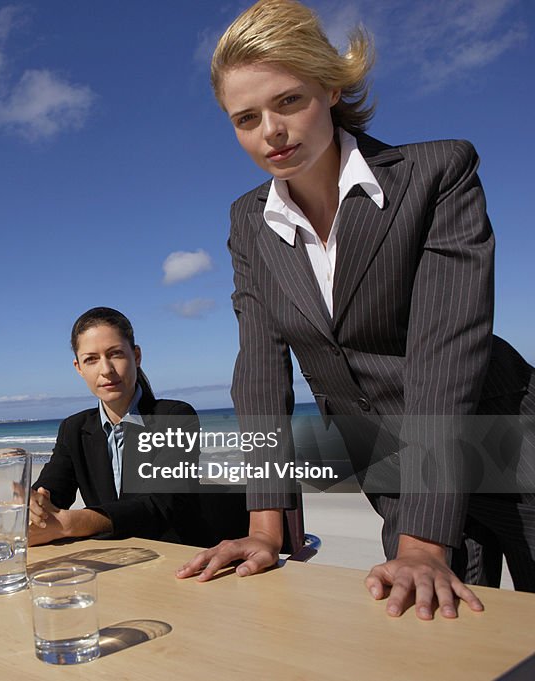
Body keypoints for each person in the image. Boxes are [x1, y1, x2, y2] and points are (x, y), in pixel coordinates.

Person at [176, 0, 535, 621]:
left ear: (332, 86)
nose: (271, 131)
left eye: (289, 101)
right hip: (399, 477)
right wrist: (265, 528)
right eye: (246, 117)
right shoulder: (248, 223)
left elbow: (443, 357)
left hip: (511, 451)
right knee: (434, 648)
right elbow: (260, 370)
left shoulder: (437, 173)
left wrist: (422, 544)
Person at [30, 306, 247, 547]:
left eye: (116, 354)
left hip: (178, 557)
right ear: (78, 368)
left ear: (137, 356)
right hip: (114, 561)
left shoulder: (175, 417)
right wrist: (32, 507)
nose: (106, 370)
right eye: (91, 359)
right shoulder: (74, 429)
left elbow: (160, 505)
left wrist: (72, 524)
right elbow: (51, 490)